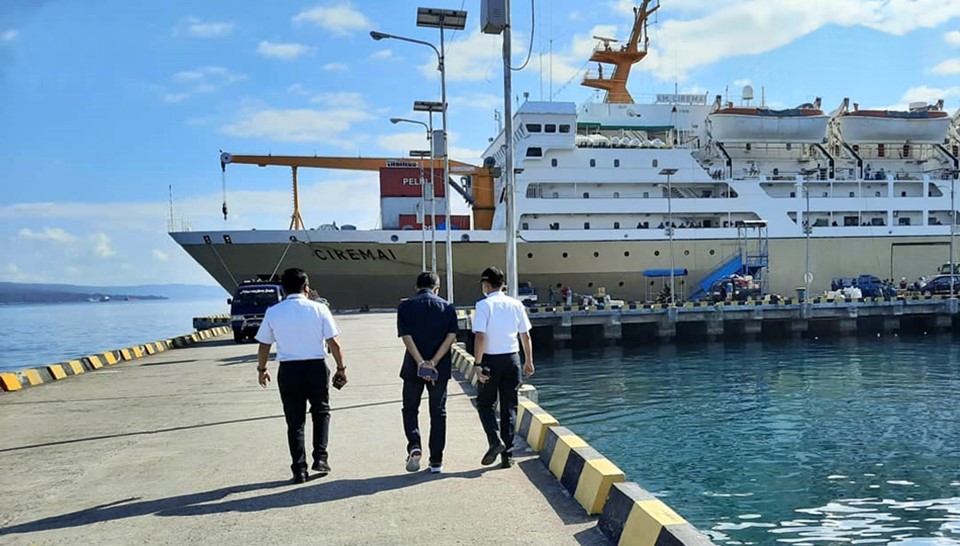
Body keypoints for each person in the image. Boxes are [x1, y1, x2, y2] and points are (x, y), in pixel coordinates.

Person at [255, 268, 346, 484]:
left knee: (295, 421)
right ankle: (320, 458)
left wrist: (262, 369)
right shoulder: (319, 309)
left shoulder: (273, 312)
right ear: (306, 287)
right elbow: (334, 343)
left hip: (289, 370)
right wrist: (341, 368)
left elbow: (264, 345)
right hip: (316, 367)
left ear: (283, 289)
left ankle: (299, 469)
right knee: (321, 412)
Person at [396, 272, 459, 474]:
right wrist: (434, 362)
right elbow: (451, 336)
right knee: (438, 413)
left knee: (410, 408)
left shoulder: (405, 306)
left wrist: (421, 362)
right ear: (437, 288)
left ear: (416, 287)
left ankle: (414, 445)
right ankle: (436, 460)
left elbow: (406, 336)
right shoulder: (448, 307)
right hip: (439, 370)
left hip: (412, 368)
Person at [472, 266, 535, 468]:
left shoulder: (483, 305)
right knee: (509, 407)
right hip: (512, 359)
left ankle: (494, 441)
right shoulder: (516, 304)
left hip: (490, 361)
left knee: (485, 403)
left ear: (486, 284)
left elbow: (480, 336)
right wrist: (528, 361)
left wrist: (477, 364)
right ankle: (507, 455)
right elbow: (525, 335)